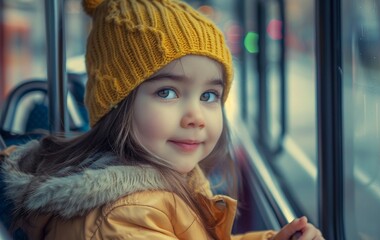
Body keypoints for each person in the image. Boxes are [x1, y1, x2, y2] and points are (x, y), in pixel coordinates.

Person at [0, 0, 324, 239]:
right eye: (167, 92)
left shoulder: (160, 180)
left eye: (209, 96)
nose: (196, 116)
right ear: (117, 103)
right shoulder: (123, 218)